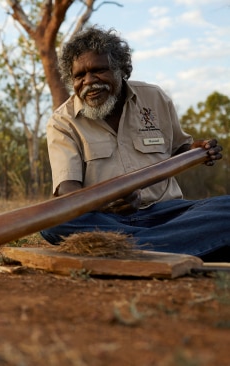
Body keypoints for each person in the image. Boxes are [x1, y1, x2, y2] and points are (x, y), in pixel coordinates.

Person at [39, 26, 230, 261]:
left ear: (121, 70)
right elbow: (68, 191)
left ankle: (121, 248)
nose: (89, 82)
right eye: (79, 76)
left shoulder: (154, 98)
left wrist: (197, 150)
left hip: (167, 213)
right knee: (53, 222)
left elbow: (179, 149)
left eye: (99, 70)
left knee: (226, 208)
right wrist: (104, 203)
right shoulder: (62, 122)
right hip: (104, 219)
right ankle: (183, 244)